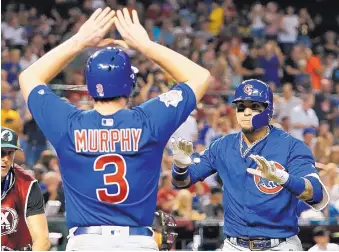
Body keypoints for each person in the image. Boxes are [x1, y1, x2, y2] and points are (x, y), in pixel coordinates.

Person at [19, 8, 210, 251]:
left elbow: (29, 77)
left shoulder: (68, 123)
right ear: (130, 82)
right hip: (137, 241)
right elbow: (199, 76)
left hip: (86, 241)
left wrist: (79, 41)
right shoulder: (148, 120)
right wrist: (145, 45)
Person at [170, 79, 329, 251]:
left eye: (254, 106)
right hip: (234, 245)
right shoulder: (222, 146)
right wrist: (180, 166)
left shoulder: (291, 146)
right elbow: (182, 182)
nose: (246, 112)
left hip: (279, 245)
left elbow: (315, 192)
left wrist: (284, 178)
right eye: (241, 107)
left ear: (268, 109)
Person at [1, 127, 50, 251]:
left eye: (10, 153)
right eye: (1, 152)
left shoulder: (27, 184)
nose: (6, 158)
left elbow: (42, 240)